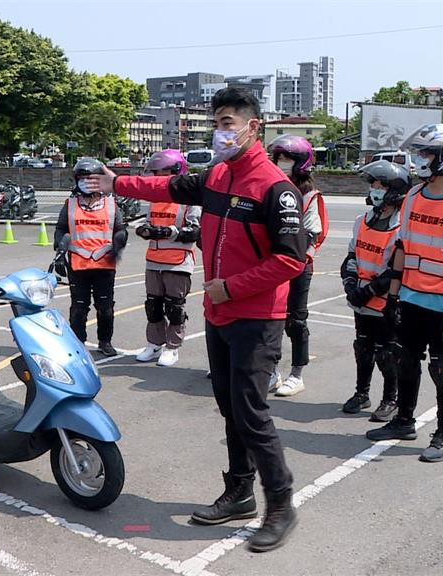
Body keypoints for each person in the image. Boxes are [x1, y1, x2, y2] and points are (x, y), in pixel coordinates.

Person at [86, 87, 307, 552]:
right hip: (219, 314)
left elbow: (291, 261)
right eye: (217, 122)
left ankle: (281, 505)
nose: (221, 131)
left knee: (251, 413)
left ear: (254, 127)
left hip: (256, 316)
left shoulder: (275, 189)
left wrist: (232, 287)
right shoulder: (217, 176)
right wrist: (116, 183)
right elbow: (167, 185)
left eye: (229, 122)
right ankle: (240, 492)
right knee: (230, 408)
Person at [366, 123, 443, 463]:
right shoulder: (414, 196)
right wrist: (392, 296)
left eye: (427, 154)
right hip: (411, 298)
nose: (420, 160)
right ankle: (404, 420)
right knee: (404, 361)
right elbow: (402, 248)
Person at [341, 160, 410, 421]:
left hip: (386, 301)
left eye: (381, 185)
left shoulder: (401, 226)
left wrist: (370, 289)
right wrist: (349, 283)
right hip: (360, 300)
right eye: (373, 184)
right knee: (363, 348)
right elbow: (351, 255)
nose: (375, 190)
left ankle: (390, 399)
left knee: (387, 353)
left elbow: (396, 269)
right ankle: (362, 393)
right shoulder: (363, 221)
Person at [265, 135, 328, 397]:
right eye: (279, 158)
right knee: (272, 320)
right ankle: (272, 371)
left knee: (296, 320)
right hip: (271, 264)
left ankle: (297, 373)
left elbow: (312, 232)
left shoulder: (309, 195)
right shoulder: (271, 188)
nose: (282, 163)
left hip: (298, 265)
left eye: (288, 158)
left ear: (301, 162)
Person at [53, 157, 127, 357]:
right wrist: (59, 254)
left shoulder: (111, 205)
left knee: (105, 308)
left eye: (91, 178)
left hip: (104, 265)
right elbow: (61, 229)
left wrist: (118, 246)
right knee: (78, 308)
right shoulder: (70, 204)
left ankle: (105, 341)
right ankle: (78, 342)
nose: (86, 181)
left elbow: (120, 230)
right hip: (78, 265)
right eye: (82, 178)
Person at [134, 150, 201, 367]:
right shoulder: (156, 198)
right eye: (156, 172)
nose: (157, 176)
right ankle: (154, 344)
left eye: (162, 172)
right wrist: (145, 229)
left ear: (175, 172)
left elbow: (194, 231)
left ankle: (172, 347)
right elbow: (149, 221)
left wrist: (167, 232)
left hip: (178, 262)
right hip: (153, 259)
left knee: (174, 307)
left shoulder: (189, 200)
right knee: (153, 305)